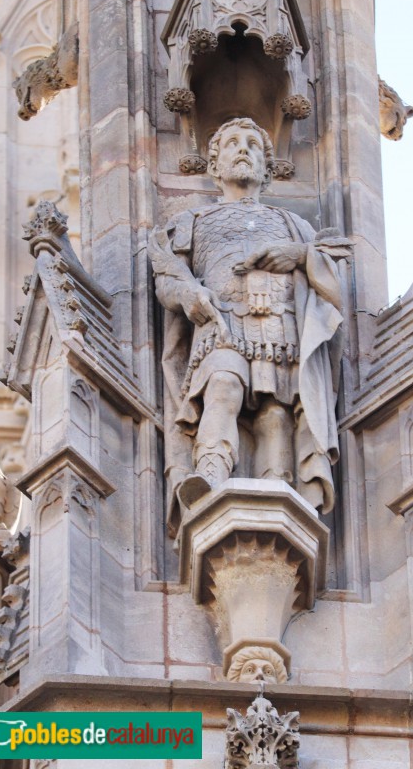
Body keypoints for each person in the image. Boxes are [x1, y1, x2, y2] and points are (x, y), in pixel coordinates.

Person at [149, 118, 350, 537]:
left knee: (275, 415)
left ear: (267, 166)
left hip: (281, 330)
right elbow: (168, 278)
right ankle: (209, 478)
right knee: (223, 385)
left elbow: (334, 282)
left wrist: (297, 255)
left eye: (255, 146)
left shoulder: (296, 226)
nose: (244, 151)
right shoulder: (192, 221)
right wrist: (190, 296)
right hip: (221, 323)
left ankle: (280, 498)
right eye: (233, 144)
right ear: (214, 164)